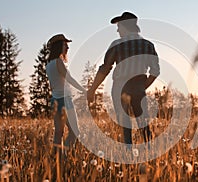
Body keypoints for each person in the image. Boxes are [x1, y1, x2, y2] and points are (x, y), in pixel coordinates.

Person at [87, 12, 160, 147]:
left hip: (120, 88)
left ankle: (128, 155)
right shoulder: (147, 45)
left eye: (119, 26)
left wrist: (92, 89)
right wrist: (143, 86)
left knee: (124, 124)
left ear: (125, 26)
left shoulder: (117, 44)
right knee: (143, 123)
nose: (117, 30)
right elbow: (155, 71)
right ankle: (151, 154)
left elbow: (105, 69)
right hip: (139, 86)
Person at [46, 34, 86, 151]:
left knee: (58, 133)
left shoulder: (48, 64)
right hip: (65, 100)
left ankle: (56, 158)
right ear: (59, 46)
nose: (67, 48)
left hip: (55, 100)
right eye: (65, 45)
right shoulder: (59, 61)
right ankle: (65, 155)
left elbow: (52, 85)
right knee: (74, 131)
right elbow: (69, 78)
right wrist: (84, 90)